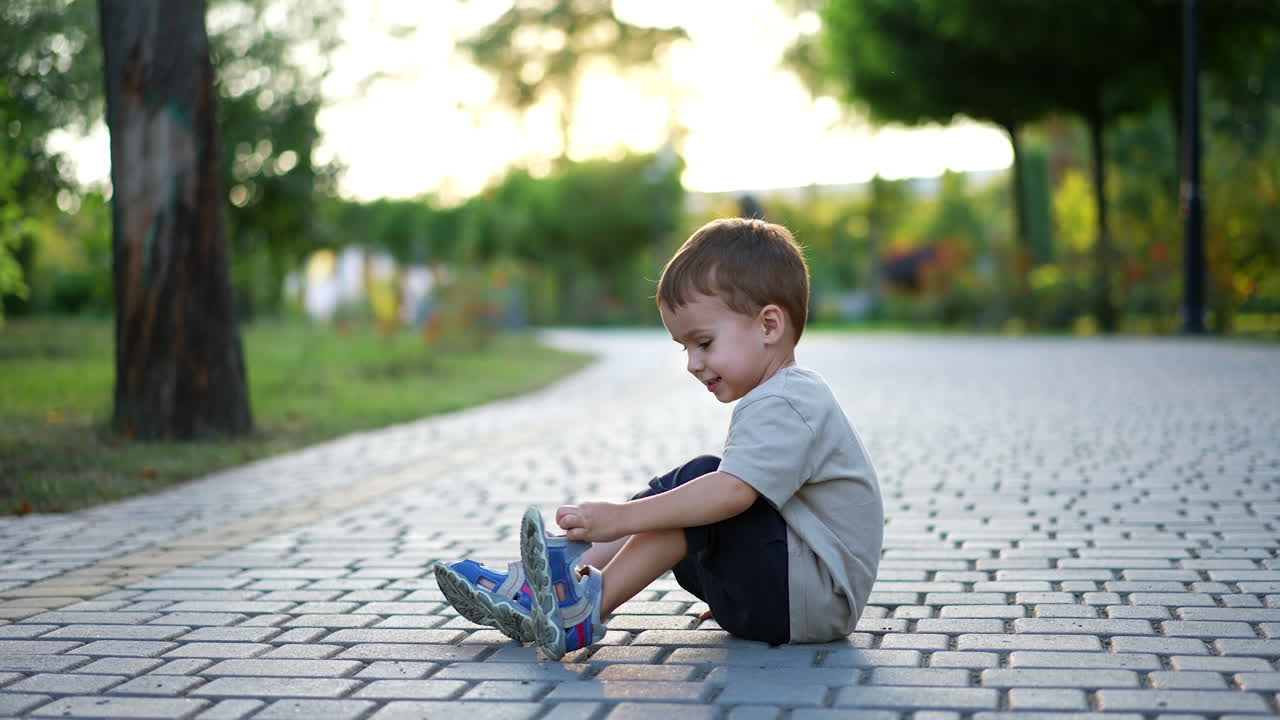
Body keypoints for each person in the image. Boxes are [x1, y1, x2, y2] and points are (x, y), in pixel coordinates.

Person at [434, 217, 884, 659]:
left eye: (703, 343)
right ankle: (553, 585)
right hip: (788, 596)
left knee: (705, 485)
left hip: (811, 602)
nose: (692, 363)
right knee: (689, 482)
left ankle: (583, 611)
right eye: (684, 347)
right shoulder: (775, 396)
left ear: (769, 326)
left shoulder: (791, 399)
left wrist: (621, 517)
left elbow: (728, 495)